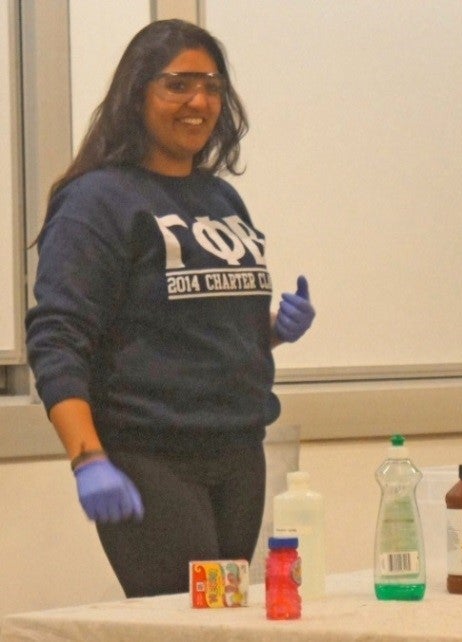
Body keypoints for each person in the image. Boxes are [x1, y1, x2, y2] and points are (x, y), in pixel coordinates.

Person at [25, 19, 315, 598]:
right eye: (178, 84)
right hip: (150, 456)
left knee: (223, 622)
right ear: (137, 94)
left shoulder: (221, 197)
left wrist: (271, 332)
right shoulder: (98, 201)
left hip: (238, 450)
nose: (200, 101)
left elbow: (190, 320)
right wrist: (88, 460)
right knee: (185, 629)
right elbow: (59, 341)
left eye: (211, 85)